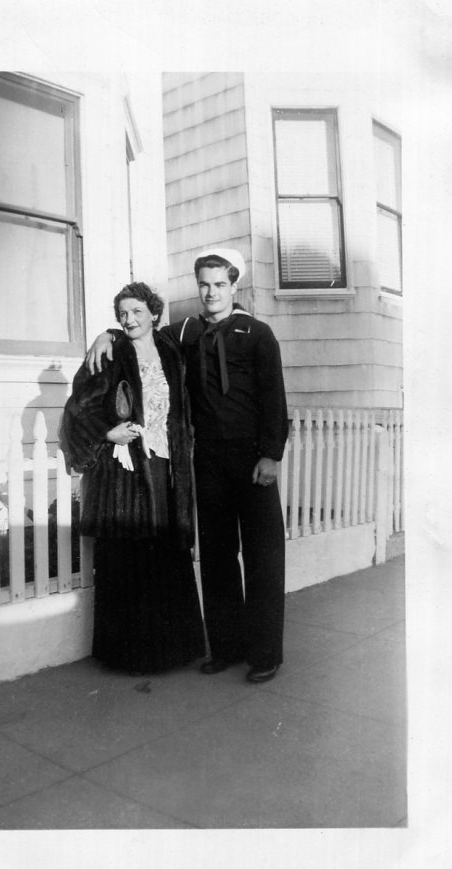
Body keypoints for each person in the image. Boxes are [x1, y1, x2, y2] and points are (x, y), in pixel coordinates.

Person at [85, 250, 289, 684]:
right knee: (215, 557)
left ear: (234, 286)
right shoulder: (186, 332)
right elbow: (142, 333)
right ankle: (227, 647)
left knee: (262, 558)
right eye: (204, 284)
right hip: (208, 459)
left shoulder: (257, 333)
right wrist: (107, 333)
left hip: (253, 459)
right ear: (197, 286)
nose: (211, 292)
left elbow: (275, 398)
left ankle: (265, 653)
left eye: (219, 284)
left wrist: (271, 454)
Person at [62, 282, 205, 676]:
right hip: (125, 472)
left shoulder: (172, 352)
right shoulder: (111, 353)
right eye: (122, 314)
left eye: (137, 312)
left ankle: (172, 651)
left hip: (165, 468)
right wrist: (107, 432)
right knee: (128, 557)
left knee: (164, 552)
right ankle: (130, 655)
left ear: (154, 314)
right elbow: (78, 407)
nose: (129, 320)